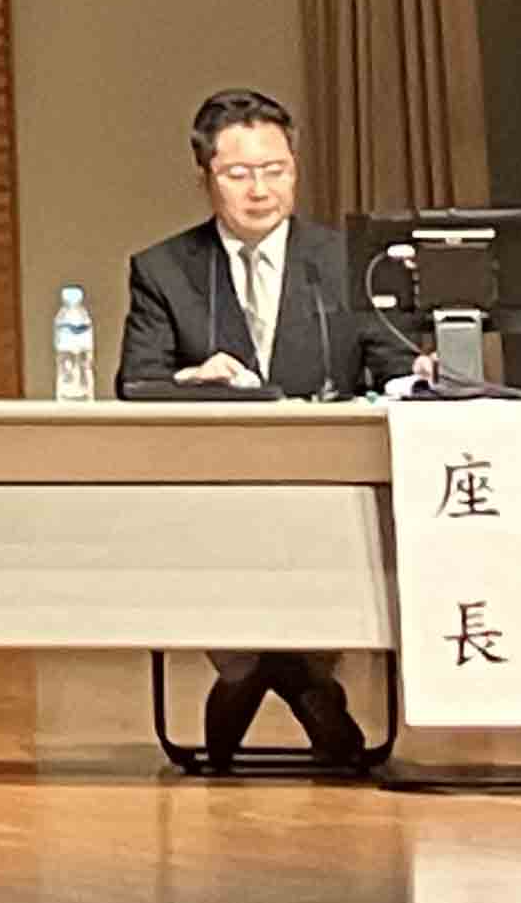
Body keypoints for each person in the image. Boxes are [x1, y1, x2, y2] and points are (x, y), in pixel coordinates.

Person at [115, 86, 412, 768]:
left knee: (321, 546)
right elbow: (135, 382)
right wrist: (193, 380)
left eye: (275, 170)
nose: (259, 190)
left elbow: (395, 368)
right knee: (227, 548)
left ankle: (249, 675)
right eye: (239, 173)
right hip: (216, 488)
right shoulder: (163, 269)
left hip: (329, 487)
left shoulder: (348, 261)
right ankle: (306, 687)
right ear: (205, 176)